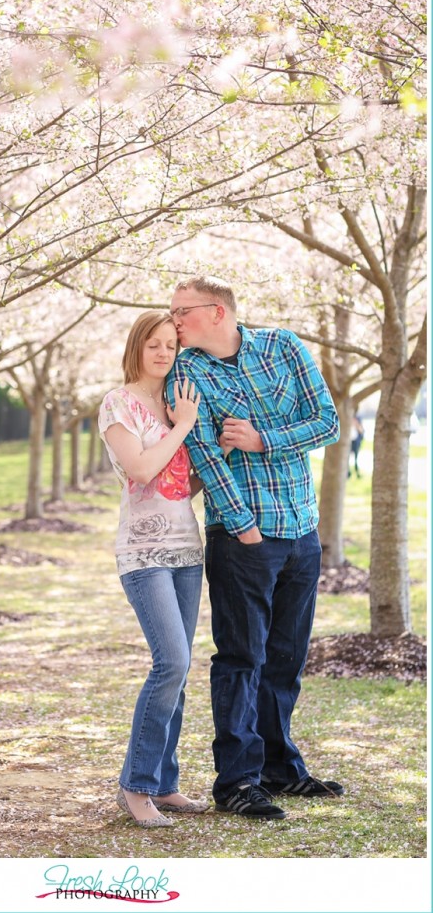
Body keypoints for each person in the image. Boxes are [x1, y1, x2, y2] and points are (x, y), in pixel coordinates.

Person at [166, 276, 343, 821]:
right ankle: (238, 781)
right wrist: (244, 527)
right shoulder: (186, 372)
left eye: (181, 312)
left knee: (286, 658)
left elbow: (328, 423)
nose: (173, 321)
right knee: (242, 657)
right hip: (244, 536)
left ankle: (280, 769)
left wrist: (263, 437)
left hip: (301, 529)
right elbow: (206, 453)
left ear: (216, 311)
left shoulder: (283, 347)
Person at [98, 311, 209, 828]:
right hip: (143, 554)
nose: (164, 353)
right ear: (136, 348)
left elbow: (176, 486)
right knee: (170, 662)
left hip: (187, 550)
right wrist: (184, 425)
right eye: (153, 344)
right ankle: (135, 785)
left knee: (181, 669)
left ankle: (164, 784)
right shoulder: (118, 405)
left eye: (171, 345)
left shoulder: (173, 405)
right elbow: (141, 470)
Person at [349, 412, 364, 478]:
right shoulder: (347, 418)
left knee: (356, 458)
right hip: (349, 441)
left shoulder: (358, 418)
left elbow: (361, 431)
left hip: (356, 441)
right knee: (347, 457)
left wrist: (356, 424)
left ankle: (357, 471)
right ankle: (348, 473)